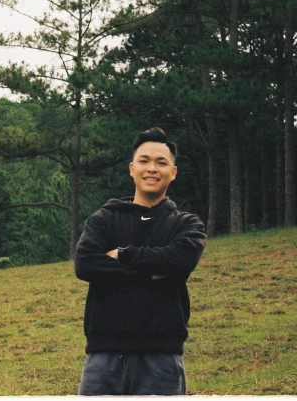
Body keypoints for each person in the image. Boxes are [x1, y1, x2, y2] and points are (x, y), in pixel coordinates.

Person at [74, 127, 207, 396]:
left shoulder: (187, 224)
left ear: (173, 172)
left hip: (161, 358)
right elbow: (86, 264)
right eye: (144, 161)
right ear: (132, 168)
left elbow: (180, 261)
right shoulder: (104, 219)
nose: (152, 169)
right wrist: (150, 273)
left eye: (161, 162)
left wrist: (123, 253)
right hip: (104, 355)